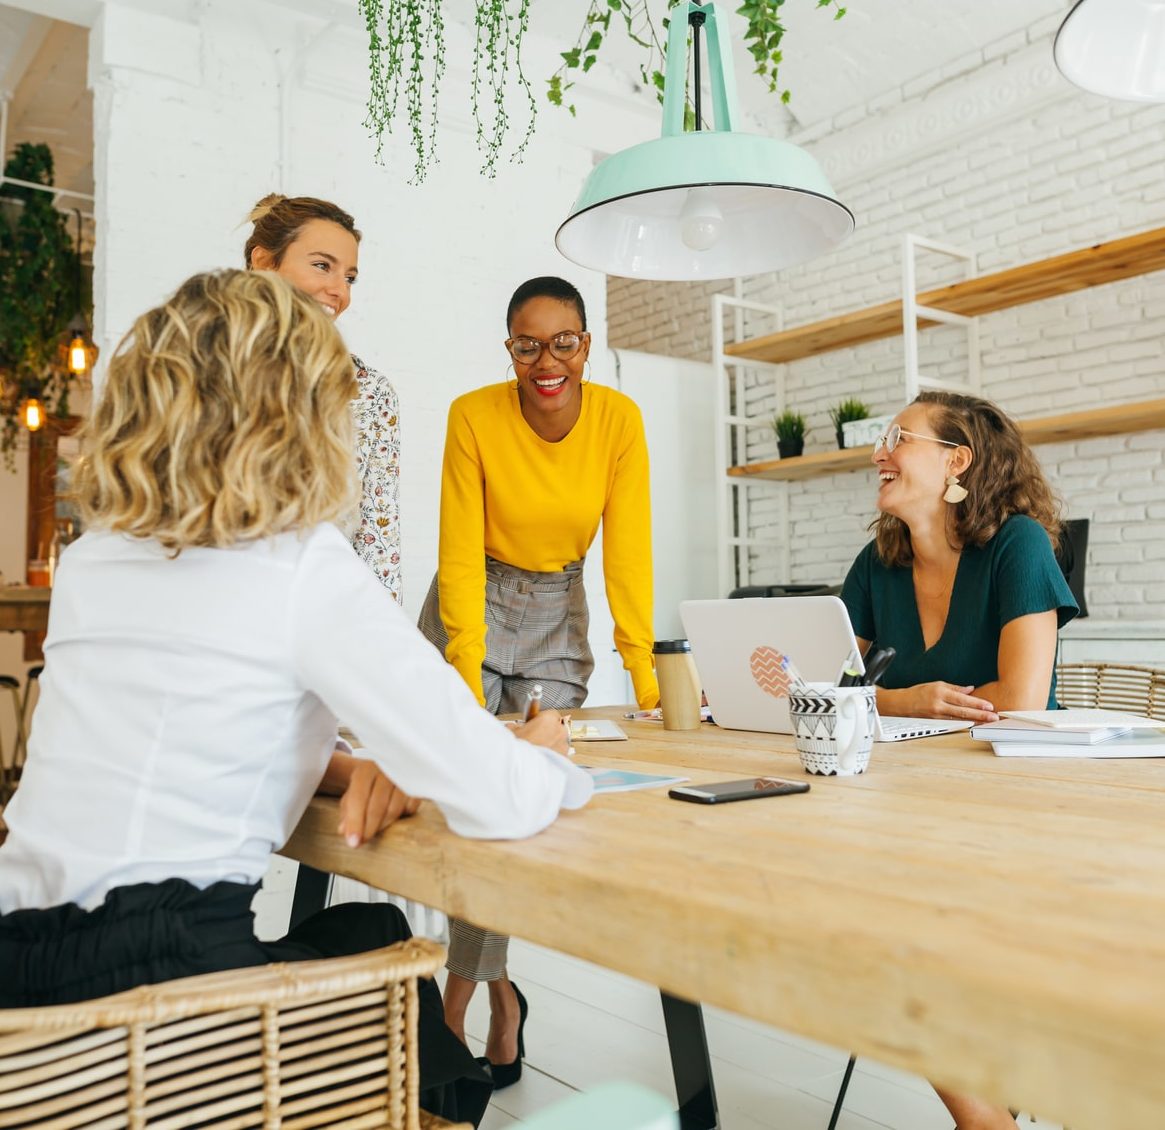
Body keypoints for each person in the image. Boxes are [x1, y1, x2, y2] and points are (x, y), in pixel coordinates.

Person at [0, 270, 594, 1127]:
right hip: (169, 1003)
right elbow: (494, 794)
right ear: (299, 410)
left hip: (21, 970)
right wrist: (540, 750)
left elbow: (176, 730)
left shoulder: (97, 559)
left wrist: (338, 764)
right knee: (412, 1011)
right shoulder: (299, 565)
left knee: (361, 935)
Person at [417, 275, 660, 1086]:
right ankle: (482, 999)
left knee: (516, 813)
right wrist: (460, 687)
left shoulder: (619, 422)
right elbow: (455, 552)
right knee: (461, 807)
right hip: (469, 603)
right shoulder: (473, 414)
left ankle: (466, 998)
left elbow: (626, 555)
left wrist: (647, 678)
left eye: (563, 342)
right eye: (528, 344)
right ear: (510, 349)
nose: (545, 361)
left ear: (586, 345)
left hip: (559, 608)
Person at [841, 390, 1077, 1130]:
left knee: (911, 921)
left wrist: (880, 698)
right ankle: (985, 1117)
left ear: (956, 462)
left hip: (1028, 793)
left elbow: (1021, 696)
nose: (880, 451)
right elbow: (834, 693)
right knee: (861, 916)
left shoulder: (1017, 545)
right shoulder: (875, 563)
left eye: (898, 438)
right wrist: (905, 701)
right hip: (913, 795)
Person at [244, 192, 407, 867]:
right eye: (321, 265)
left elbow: (379, 551)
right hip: (237, 662)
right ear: (262, 264)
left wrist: (379, 696)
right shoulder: (202, 380)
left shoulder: (368, 392)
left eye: (349, 276)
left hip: (320, 662)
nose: (337, 290)